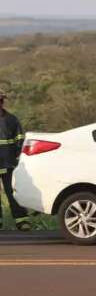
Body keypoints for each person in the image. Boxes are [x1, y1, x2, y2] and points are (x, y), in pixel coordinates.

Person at [0, 90, 31, 231]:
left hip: (8, 163)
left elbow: (20, 140)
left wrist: (18, 156)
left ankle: (21, 221)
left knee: (12, 192)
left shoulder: (12, 120)